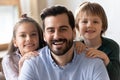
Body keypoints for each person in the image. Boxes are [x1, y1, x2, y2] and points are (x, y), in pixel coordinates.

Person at [18, 5, 110, 80]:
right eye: (51, 30)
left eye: (63, 29)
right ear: (44, 36)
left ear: (74, 33)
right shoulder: (32, 64)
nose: (57, 36)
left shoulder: (94, 63)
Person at [75, 1, 120, 80]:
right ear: (78, 27)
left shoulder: (112, 47)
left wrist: (105, 59)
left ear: (103, 26)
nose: (89, 25)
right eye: (85, 21)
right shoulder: (75, 46)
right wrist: (74, 44)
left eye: (95, 22)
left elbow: (116, 77)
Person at [2, 14, 46, 80]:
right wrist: (22, 65)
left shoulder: (46, 55)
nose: (29, 39)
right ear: (15, 42)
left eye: (33, 34)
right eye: (23, 35)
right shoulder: (9, 60)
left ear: (39, 38)